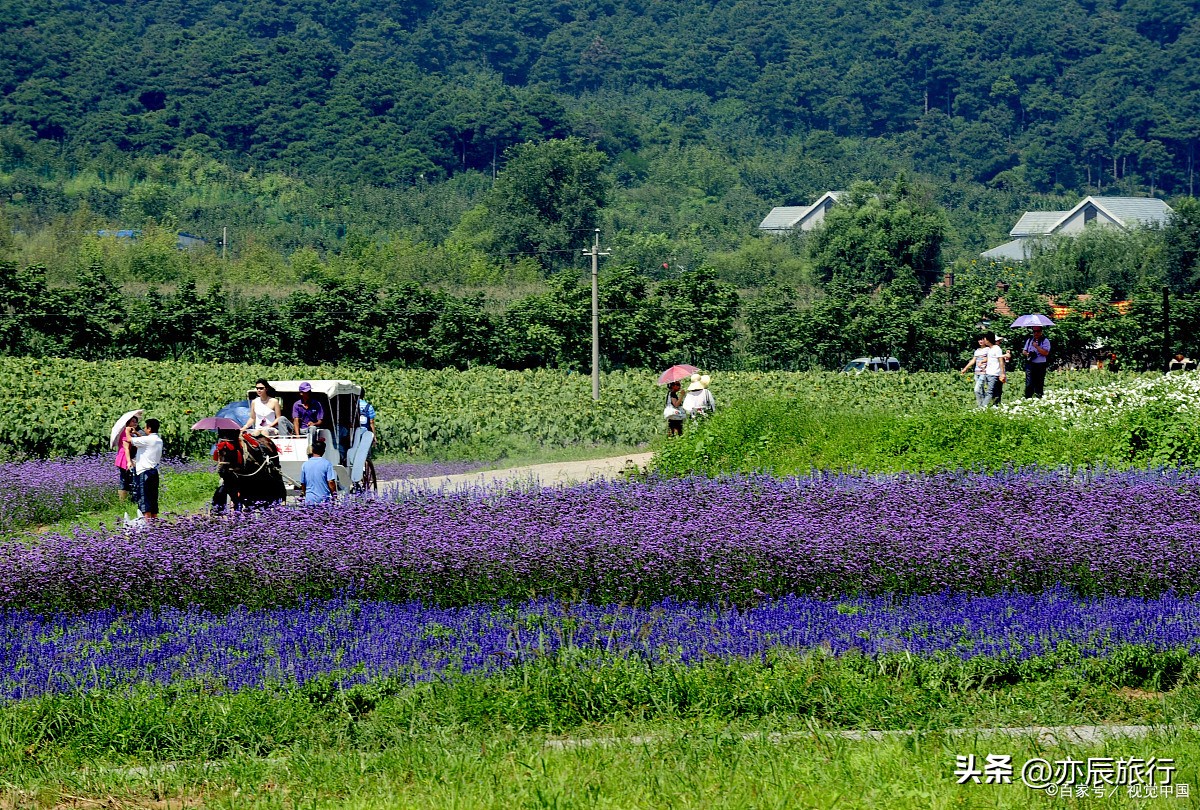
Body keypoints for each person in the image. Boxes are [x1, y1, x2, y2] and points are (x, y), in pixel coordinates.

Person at [129, 418, 163, 519]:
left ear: (149, 428)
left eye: (145, 427)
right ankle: (154, 523)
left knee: (145, 500)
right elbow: (143, 440)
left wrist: (127, 431)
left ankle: (147, 527)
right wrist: (136, 433)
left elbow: (130, 440)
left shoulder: (147, 440)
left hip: (145, 473)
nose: (144, 429)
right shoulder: (158, 440)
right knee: (153, 500)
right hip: (154, 472)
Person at [299, 439, 338, 505]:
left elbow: (303, 483)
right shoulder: (327, 464)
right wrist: (334, 496)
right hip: (323, 499)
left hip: (309, 499)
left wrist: (305, 494)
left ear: (313, 450)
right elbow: (331, 482)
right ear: (323, 451)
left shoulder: (305, 465)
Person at [115, 413, 139, 501]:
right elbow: (126, 449)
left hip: (128, 457)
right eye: (133, 422)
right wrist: (129, 462)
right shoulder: (125, 432)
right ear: (128, 422)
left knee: (129, 478)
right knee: (125, 479)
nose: (135, 424)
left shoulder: (131, 433)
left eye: (136, 422)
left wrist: (135, 432)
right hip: (124, 457)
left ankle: (129, 499)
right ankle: (123, 501)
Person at [959, 336, 989, 409]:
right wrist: (965, 368)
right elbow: (973, 360)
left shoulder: (988, 349)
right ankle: (984, 406)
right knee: (980, 390)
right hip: (977, 372)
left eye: (982, 339)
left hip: (984, 372)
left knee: (976, 389)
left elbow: (990, 358)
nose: (981, 341)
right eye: (979, 340)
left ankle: (980, 407)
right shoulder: (977, 351)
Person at [1022, 325, 1051, 398]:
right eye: (1034, 331)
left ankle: (1038, 398)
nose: (1036, 333)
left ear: (1041, 332)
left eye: (1038, 331)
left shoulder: (1045, 340)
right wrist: (1028, 354)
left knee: (1039, 383)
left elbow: (1046, 353)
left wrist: (1037, 347)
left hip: (1040, 364)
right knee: (1029, 383)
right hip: (1030, 363)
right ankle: (1028, 398)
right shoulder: (1029, 340)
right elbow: (1024, 351)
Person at [980, 332, 1006, 408]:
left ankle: (983, 408)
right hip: (990, 373)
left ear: (988, 340)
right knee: (994, 392)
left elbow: (1000, 361)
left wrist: (1002, 373)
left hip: (995, 374)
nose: (984, 341)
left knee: (992, 392)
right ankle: (994, 407)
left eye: (985, 339)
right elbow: (990, 359)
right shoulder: (989, 349)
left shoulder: (997, 349)